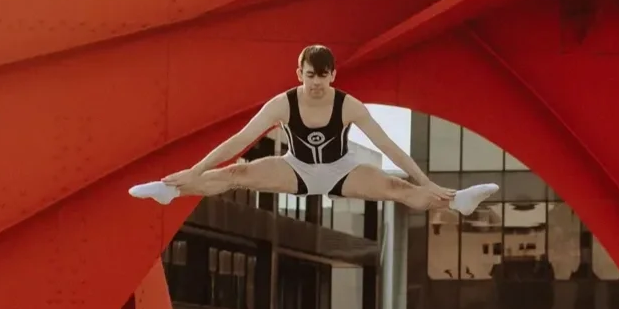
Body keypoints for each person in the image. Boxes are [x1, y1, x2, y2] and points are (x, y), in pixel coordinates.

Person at [129, 44, 498, 214]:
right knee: (235, 173)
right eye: (310, 76)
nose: (316, 83)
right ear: (299, 74)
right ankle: (170, 190)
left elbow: (391, 149)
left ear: (333, 75)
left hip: (342, 169)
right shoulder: (283, 104)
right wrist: (194, 171)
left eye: (323, 76)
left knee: (398, 188)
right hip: (297, 168)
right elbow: (240, 140)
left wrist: (427, 181)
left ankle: (457, 202)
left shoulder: (349, 105)